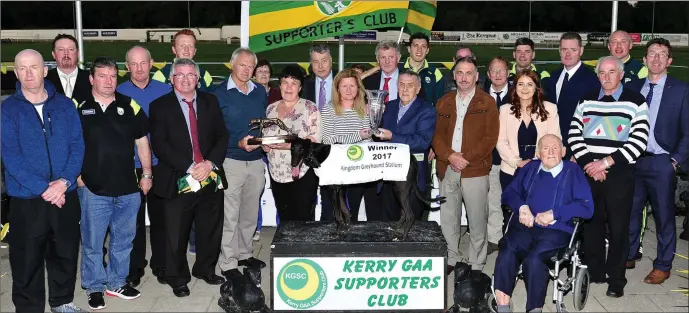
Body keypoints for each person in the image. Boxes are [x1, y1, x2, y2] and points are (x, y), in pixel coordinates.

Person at [2, 49, 86, 313]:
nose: (28, 73)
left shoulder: (64, 105)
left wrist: (63, 182)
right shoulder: (8, 109)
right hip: (27, 199)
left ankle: (62, 302)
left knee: (65, 253)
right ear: (16, 73)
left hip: (64, 195)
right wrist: (43, 188)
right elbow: (10, 156)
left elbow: (77, 146)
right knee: (27, 259)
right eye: (22, 68)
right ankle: (29, 308)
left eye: (34, 67)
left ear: (44, 70)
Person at [568, 56, 650, 298]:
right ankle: (595, 272)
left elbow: (638, 143)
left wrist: (604, 163)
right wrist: (590, 165)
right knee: (591, 224)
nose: (606, 77)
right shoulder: (586, 99)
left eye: (611, 72)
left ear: (621, 74)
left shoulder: (636, 101)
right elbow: (574, 134)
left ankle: (616, 280)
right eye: (602, 72)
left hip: (619, 174)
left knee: (618, 228)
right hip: (589, 171)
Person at [149, 58, 229, 297]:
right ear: (172, 79)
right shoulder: (159, 106)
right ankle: (178, 278)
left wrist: (208, 163)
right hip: (177, 178)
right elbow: (160, 145)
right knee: (176, 233)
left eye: (190, 75)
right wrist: (190, 166)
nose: (185, 79)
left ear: (197, 78)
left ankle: (205, 268)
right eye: (180, 75)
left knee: (210, 228)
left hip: (210, 176)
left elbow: (221, 136)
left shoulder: (210, 101)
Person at [76, 57, 150, 309]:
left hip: (128, 189)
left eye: (112, 76)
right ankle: (94, 286)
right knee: (92, 243)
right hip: (93, 190)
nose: (108, 81)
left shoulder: (131, 106)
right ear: (92, 79)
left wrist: (147, 174)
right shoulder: (79, 107)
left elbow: (142, 142)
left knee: (123, 240)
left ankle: (116, 282)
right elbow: (70, 145)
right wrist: (76, 177)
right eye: (102, 76)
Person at [494, 134, 594, 313]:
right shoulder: (530, 168)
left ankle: (534, 308)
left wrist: (555, 213)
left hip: (557, 230)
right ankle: (502, 306)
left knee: (535, 258)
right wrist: (522, 207)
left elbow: (587, 207)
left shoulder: (573, 171)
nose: (551, 152)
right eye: (546, 148)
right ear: (538, 153)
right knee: (508, 248)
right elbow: (509, 193)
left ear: (563, 152)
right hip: (526, 225)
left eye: (555, 148)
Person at [626, 38, 689, 284]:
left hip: (663, 162)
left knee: (664, 216)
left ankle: (663, 264)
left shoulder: (682, 90)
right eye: (651, 53)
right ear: (644, 59)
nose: (656, 58)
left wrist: (674, 160)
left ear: (669, 61)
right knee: (630, 211)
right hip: (634, 160)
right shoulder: (632, 88)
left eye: (661, 54)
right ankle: (629, 254)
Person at [432, 56, 499, 274]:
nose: (464, 77)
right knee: (448, 217)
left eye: (469, 73)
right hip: (448, 168)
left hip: (475, 170)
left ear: (477, 77)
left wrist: (465, 158)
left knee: (477, 219)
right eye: (460, 73)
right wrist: (450, 156)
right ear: (454, 75)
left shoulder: (487, 102)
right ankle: (452, 256)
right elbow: (436, 135)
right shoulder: (444, 101)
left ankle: (477, 263)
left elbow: (490, 139)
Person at [116, 45, 172, 287]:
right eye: (133, 64)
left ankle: (161, 264)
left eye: (143, 63)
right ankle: (135, 266)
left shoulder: (166, 90)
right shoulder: (117, 92)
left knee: (162, 220)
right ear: (127, 67)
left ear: (152, 64)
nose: (139, 69)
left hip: (161, 165)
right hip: (129, 167)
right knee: (132, 222)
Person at [213, 47, 268, 280]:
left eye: (250, 66)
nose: (246, 70)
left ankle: (245, 253)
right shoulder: (218, 94)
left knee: (249, 213)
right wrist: (237, 142)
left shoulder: (260, 92)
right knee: (230, 215)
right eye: (242, 65)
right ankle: (228, 262)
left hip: (256, 161)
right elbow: (214, 132)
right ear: (231, 65)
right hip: (231, 161)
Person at [371, 69, 437, 221]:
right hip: (387, 176)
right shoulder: (387, 107)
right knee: (388, 224)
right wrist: (372, 126)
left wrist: (392, 136)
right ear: (397, 86)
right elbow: (378, 135)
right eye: (401, 84)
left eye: (410, 85)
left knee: (410, 224)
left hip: (411, 178)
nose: (405, 89)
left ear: (418, 88)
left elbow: (422, 142)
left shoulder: (427, 110)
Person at [263, 65, 321, 221]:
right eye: (285, 82)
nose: (288, 87)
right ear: (279, 84)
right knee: (285, 220)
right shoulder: (270, 109)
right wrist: (265, 145)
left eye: (293, 83)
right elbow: (265, 137)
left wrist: (288, 146)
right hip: (276, 175)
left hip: (301, 175)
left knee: (303, 222)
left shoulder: (310, 108)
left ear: (300, 87)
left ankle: (304, 247)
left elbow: (314, 142)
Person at [320, 69, 374, 221]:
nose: (349, 90)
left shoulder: (365, 108)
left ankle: (350, 240)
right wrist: (358, 135)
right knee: (331, 210)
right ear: (337, 88)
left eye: (353, 85)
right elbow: (328, 140)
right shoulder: (329, 109)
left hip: (358, 166)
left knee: (354, 210)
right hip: (335, 168)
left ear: (358, 88)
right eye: (344, 86)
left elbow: (367, 140)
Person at [497, 70, 561, 189]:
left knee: (538, 207)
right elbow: (501, 142)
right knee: (513, 207)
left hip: (541, 170)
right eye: (520, 84)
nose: (524, 88)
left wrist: (536, 163)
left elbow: (554, 141)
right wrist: (517, 162)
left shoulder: (550, 109)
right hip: (511, 171)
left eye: (529, 84)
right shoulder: (505, 110)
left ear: (536, 88)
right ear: (515, 87)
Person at [543, 32, 600, 158]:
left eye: (573, 50)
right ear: (559, 51)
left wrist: (579, 152)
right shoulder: (554, 76)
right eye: (564, 49)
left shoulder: (592, 80)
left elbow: (593, 119)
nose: (567, 54)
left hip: (576, 149)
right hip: (553, 145)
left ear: (581, 50)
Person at [484, 56, 511, 253]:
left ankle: (513, 236)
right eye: (494, 70)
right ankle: (494, 238)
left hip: (513, 157)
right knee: (493, 199)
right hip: (490, 158)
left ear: (508, 73)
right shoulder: (480, 96)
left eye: (502, 70)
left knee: (513, 200)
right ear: (488, 75)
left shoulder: (519, 94)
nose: (498, 74)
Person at [400, 32, 446, 106]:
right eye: (416, 46)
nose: (419, 50)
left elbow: (439, 103)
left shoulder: (435, 73)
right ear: (409, 49)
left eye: (423, 46)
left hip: (426, 116)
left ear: (427, 50)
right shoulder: (398, 70)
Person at [45, 34, 91, 102]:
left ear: (78, 53)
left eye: (71, 49)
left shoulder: (91, 79)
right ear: (53, 54)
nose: (66, 53)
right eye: (61, 49)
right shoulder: (44, 81)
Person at [302, 44, 337, 111]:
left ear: (331, 60)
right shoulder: (303, 84)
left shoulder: (342, 80)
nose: (320, 66)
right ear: (311, 63)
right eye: (315, 62)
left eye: (324, 61)